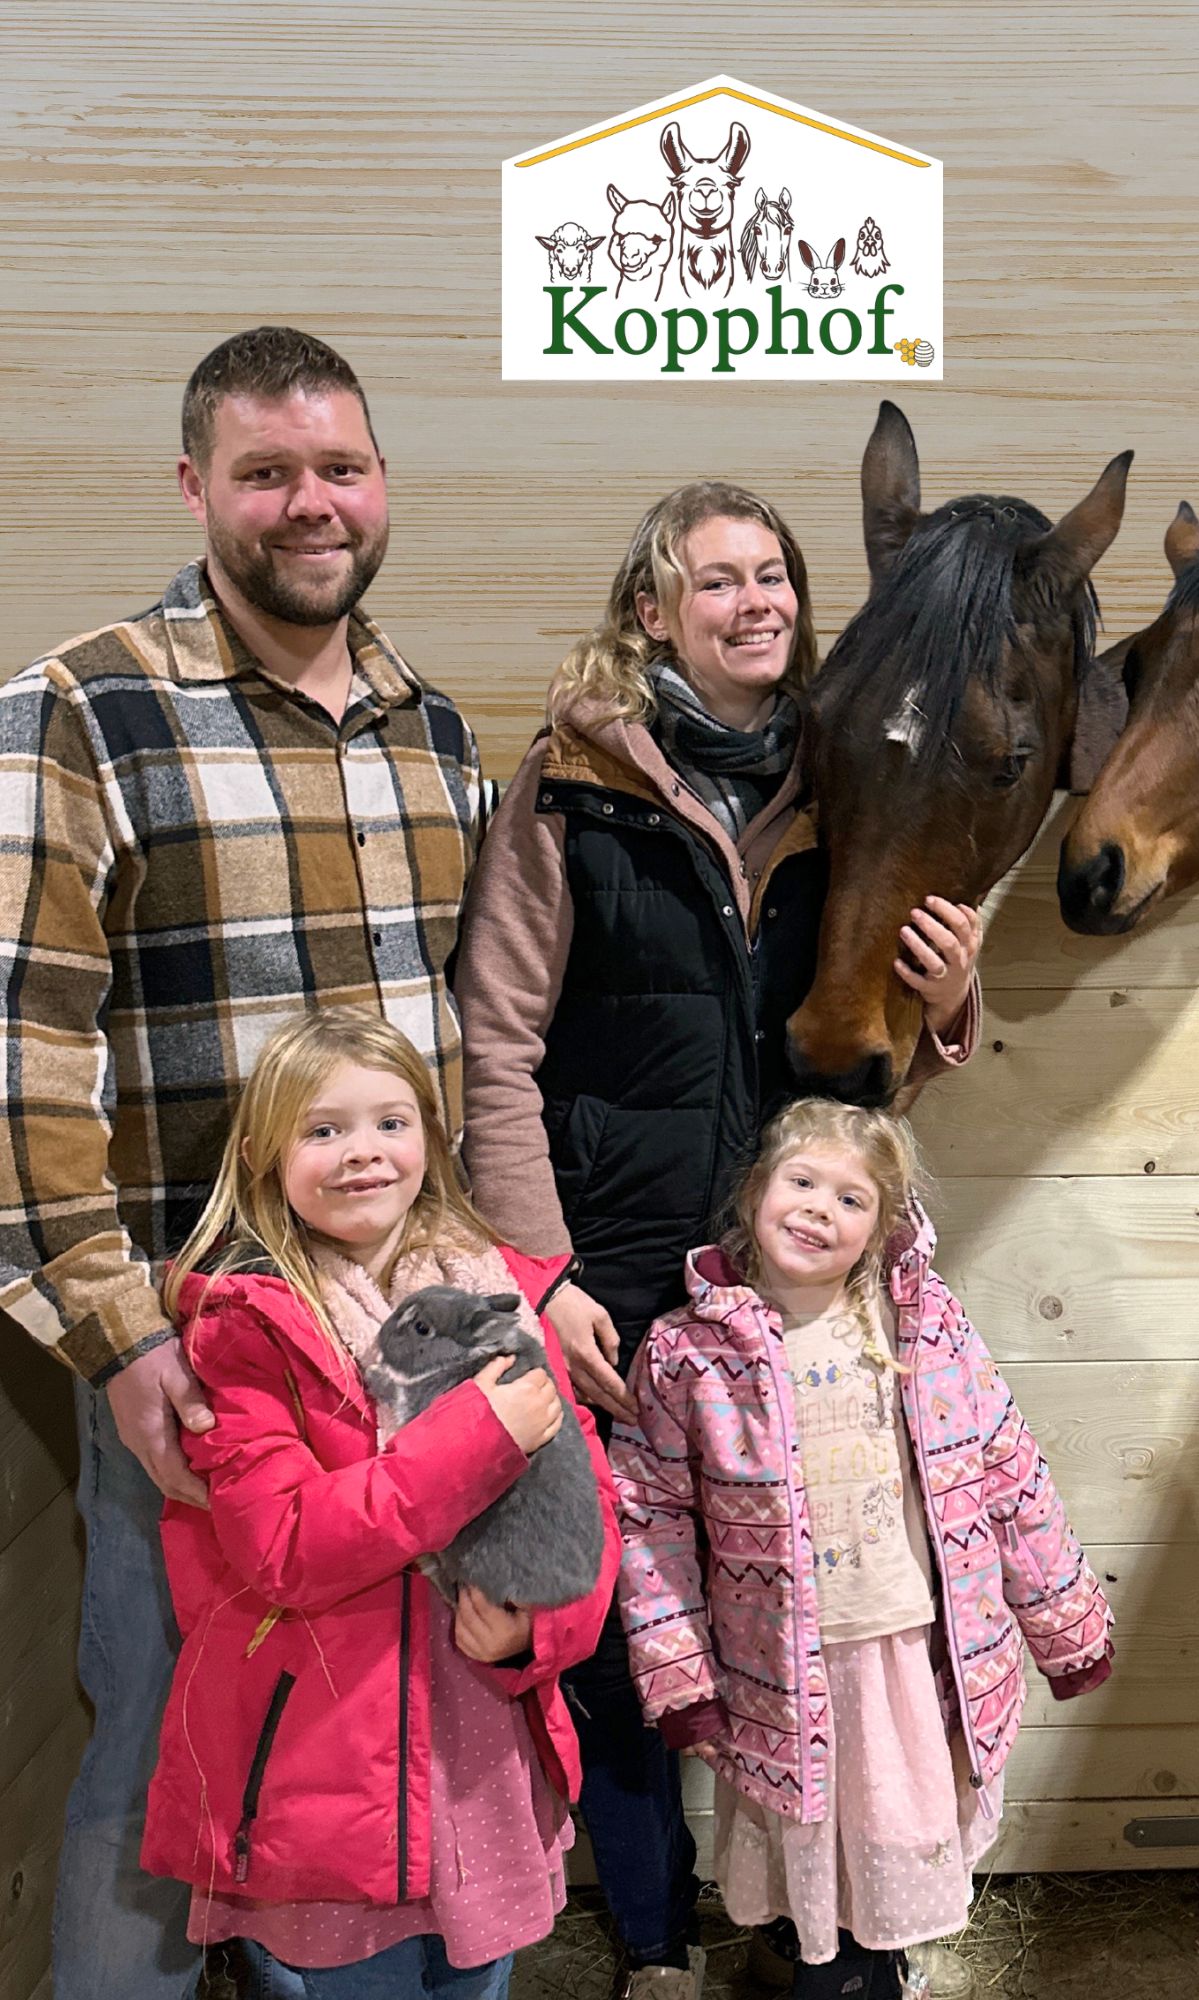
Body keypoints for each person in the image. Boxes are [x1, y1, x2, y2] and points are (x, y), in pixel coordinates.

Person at [0, 326, 483, 1999]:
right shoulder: (83, 710)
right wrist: (116, 1337)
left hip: (406, 1340)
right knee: (165, 1739)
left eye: (338, 467)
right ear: (195, 487)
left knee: (365, 1732)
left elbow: (469, 1032)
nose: (309, 503)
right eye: (266, 473)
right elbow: (21, 1047)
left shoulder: (433, 733)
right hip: (204, 1352)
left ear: (382, 482)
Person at [456, 482, 982, 1997]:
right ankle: (653, 1933)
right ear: (652, 612)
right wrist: (542, 1274)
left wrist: (955, 1004)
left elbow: (887, 1026)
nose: (758, 602)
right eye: (719, 579)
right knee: (634, 1618)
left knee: (819, 1605)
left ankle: (818, 1925)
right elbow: (496, 1041)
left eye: (775, 576)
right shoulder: (569, 787)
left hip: (801, 1274)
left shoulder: (852, 775)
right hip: (619, 1271)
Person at [139, 1008, 619, 1996]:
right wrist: (478, 1439)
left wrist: (535, 1629)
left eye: (390, 1123)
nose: (363, 1151)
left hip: (476, 1759)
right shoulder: (247, 1328)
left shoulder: (496, 1296)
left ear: (432, 1141)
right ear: (264, 1156)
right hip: (328, 1774)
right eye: (324, 1129)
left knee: (476, 1979)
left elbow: (586, 1514)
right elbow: (284, 1545)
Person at [610, 1098, 1115, 1998]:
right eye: (801, 1182)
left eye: (851, 1199)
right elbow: (651, 1518)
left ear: (882, 1229)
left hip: (904, 1656)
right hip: (775, 1667)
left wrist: (1066, 1627)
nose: (819, 1209)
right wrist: (680, 1674)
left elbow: (1006, 1467)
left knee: (887, 1841)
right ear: (755, 1192)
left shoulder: (920, 1325)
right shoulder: (688, 1352)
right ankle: (817, 1961)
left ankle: (864, 1971)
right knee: (805, 1841)